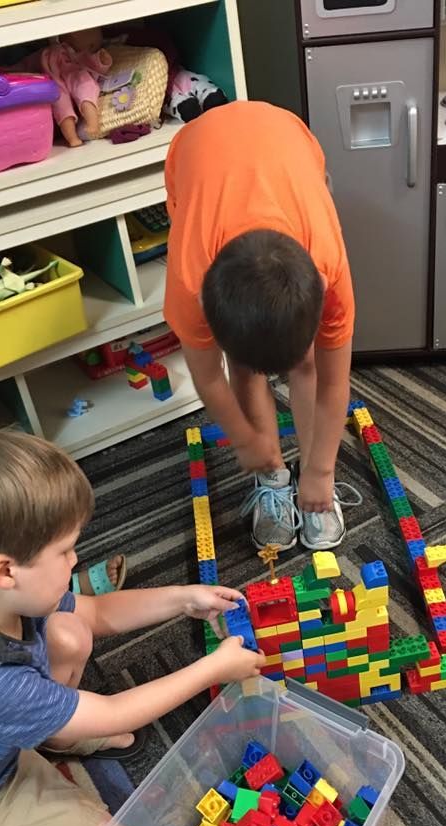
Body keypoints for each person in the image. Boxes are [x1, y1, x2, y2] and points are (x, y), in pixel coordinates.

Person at [0, 429, 264, 826]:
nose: (76, 558)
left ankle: (56, 733)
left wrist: (183, 599)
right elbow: (115, 712)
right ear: (5, 571)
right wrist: (214, 668)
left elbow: (98, 613)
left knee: (68, 630)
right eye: (64, 551)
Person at [164, 100, 361, 553]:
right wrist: (246, 438)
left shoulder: (329, 268)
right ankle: (272, 477)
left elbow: (333, 382)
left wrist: (321, 471)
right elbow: (209, 374)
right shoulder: (189, 277)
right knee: (245, 367)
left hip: (287, 137)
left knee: (310, 363)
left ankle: (311, 480)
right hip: (194, 149)